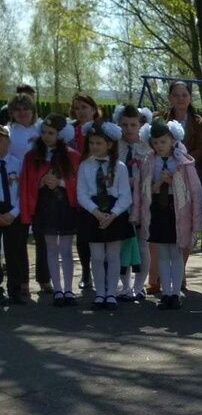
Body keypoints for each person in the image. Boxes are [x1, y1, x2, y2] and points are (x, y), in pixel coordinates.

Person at [140, 120, 202, 310]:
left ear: (172, 140)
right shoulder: (149, 161)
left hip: (177, 210)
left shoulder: (183, 161)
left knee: (175, 253)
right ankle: (165, 292)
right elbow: (145, 189)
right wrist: (160, 182)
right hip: (158, 209)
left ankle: (175, 293)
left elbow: (194, 190)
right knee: (161, 253)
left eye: (163, 142)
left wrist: (196, 219)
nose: (159, 146)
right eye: (156, 142)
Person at [20, 115, 79, 307]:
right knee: (51, 248)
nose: (46, 136)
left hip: (65, 207)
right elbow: (26, 184)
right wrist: (41, 182)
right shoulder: (32, 156)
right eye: (44, 132)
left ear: (60, 135)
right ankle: (58, 290)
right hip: (44, 206)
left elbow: (78, 183)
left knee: (66, 249)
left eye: (51, 133)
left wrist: (60, 182)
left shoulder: (72, 156)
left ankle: (69, 290)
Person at [76, 123, 134, 309]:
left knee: (113, 255)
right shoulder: (85, 166)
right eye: (91, 143)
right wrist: (96, 213)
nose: (94, 146)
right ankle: (100, 293)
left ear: (109, 144)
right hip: (93, 213)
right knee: (97, 256)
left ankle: (111, 293)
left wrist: (113, 214)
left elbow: (126, 195)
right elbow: (81, 194)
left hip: (114, 213)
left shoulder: (119, 167)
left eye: (99, 143)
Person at [5, 92, 47, 298]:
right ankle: (22, 281)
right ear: (11, 112)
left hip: (41, 186)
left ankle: (45, 279)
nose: (22, 113)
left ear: (33, 110)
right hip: (17, 189)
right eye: (18, 109)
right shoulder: (8, 132)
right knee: (19, 239)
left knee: (43, 236)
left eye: (26, 108)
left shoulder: (41, 129)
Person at [115, 105, 154, 300]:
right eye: (124, 125)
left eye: (133, 125)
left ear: (140, 125)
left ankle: (139, 286)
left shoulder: (148, 148)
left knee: (142, 243)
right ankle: (125, 286)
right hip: (121, 201)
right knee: (122, 243)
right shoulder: (115, 147)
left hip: (143, 201)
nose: (129, 129)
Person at [69, 93, 104, 289]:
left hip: (100, 185)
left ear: (93, 108)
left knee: (102, 232)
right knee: (82, 234)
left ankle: (105, 273)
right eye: (77, 108)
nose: (80, 111)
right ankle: (85, 272)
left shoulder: (102, 129)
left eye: (84, 107)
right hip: (77, 186)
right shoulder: (69, 132)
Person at [0, 127, 16, 305]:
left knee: (14, 251)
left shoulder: (17, 163)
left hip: (12, 210)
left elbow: (22, 192)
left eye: (1, 140)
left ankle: (15, 289)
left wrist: (13, 213)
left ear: (8, 142)